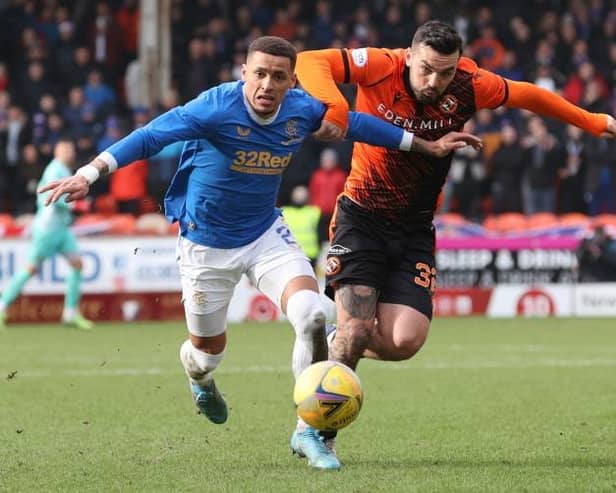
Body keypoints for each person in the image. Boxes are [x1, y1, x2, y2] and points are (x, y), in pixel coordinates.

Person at [38, 36, 481, 471]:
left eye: (279, 77)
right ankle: (200, 378)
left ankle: (309, 430)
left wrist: (425, 146)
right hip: (205, 246)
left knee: (311, 315)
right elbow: (150, 136)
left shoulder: (301, 110)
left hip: (266, 235)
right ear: (244, 73)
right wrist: (90, 172)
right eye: (260, 74)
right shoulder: (214, 107)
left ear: (292, 82)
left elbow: (360, 125)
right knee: (206, 354)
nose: (268, 85)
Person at [295, 20, 616, 463]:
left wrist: (594, 121)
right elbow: (310, 60)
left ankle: (338, 339)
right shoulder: (380, 66)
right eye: (426, 69)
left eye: (444, 72)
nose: (434, 81)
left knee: (405, 340)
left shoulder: (469, 84)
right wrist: (333, 106)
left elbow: (529, 95)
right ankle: (315, 433)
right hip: (361, 219)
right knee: (356, 331)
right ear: (409, 56)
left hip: (415, 229)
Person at [0, 138, 94, 331]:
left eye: (70, 149)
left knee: (77, 265)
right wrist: (77, 204)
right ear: (56, 152)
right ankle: (2, 307)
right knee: (31, 268)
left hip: (62, 229)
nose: (69, 153)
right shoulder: (54, 170)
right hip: (48, 228)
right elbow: (52, 197)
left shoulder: (66, 171)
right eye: (65, 149)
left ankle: (70, 313)